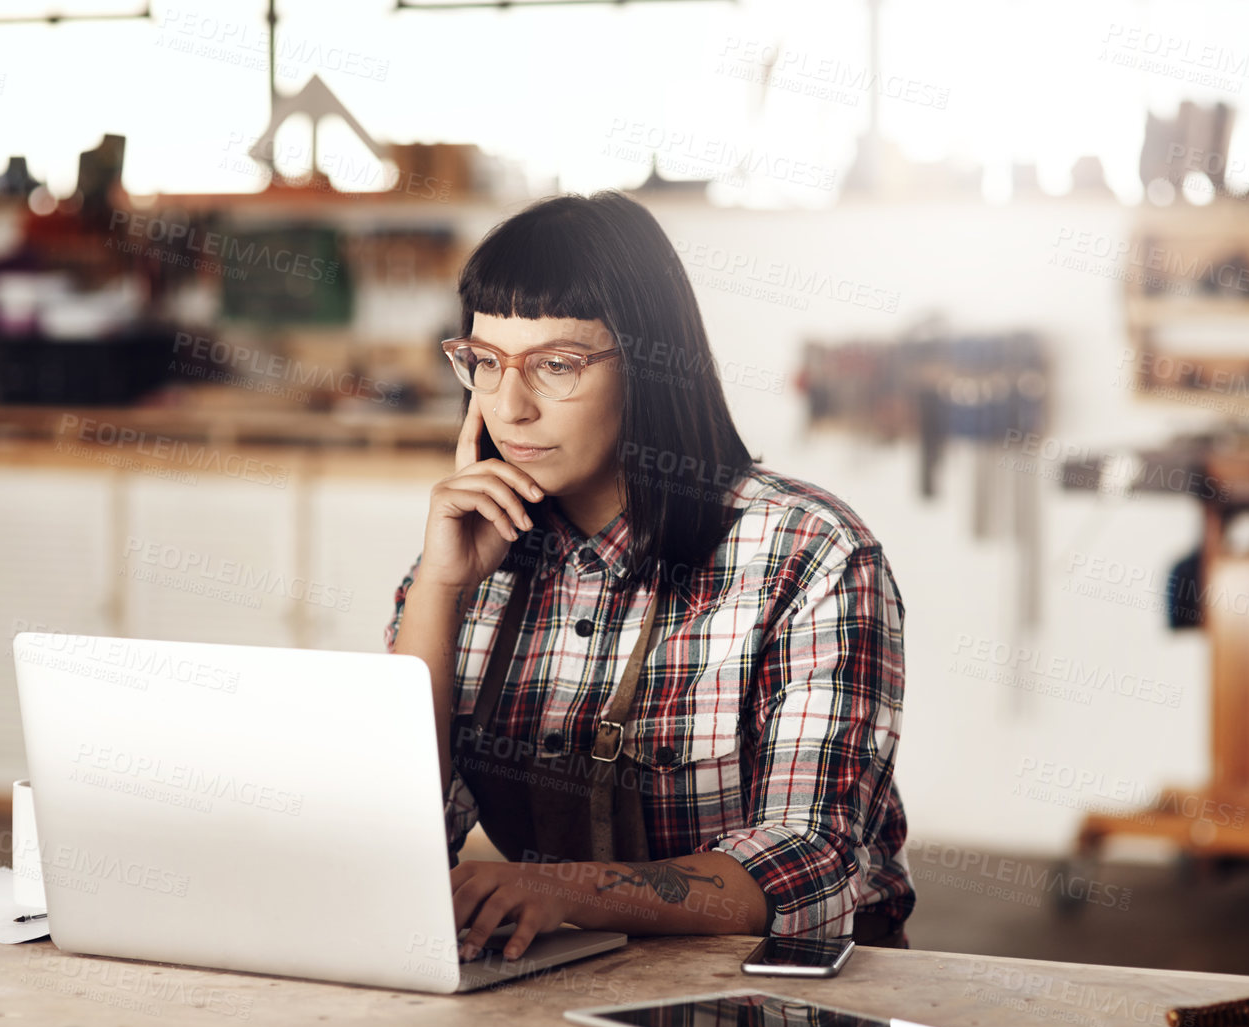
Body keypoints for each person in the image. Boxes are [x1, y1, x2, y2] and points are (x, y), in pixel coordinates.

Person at [385, 190, 913, 964]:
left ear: (653, 365)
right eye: (486, 364)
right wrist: (438, 591)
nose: (511, 406)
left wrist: (565, 889)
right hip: (552, 982)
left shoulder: (809, 554)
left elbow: (810, 865)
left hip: (782, 1000)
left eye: (557, 365)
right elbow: (392, 838)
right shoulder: (467, 558)